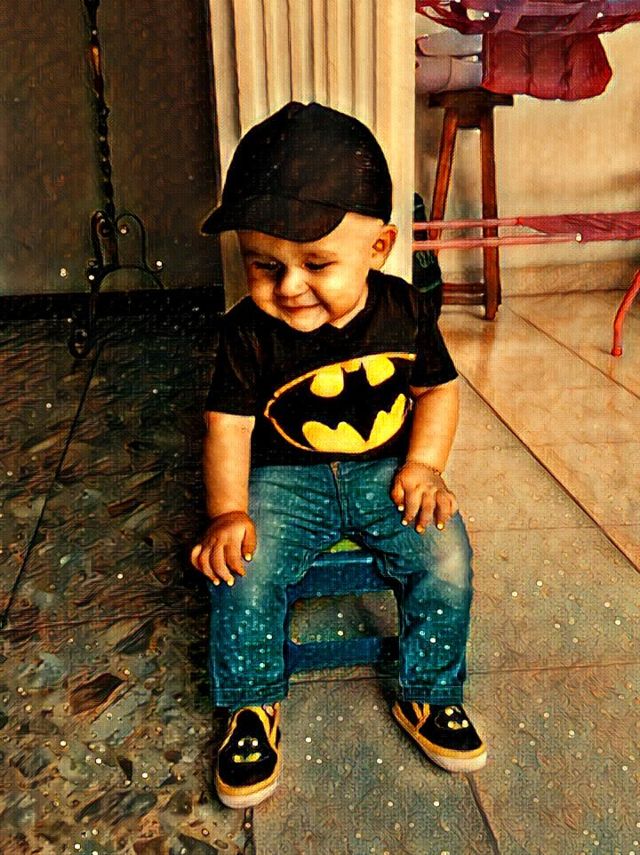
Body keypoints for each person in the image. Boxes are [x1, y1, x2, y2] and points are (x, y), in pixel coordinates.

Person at [190, 101, 487, 810]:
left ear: (378, 248)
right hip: (281, 478)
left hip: (384, 471)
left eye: (317, 263)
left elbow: (438, 390)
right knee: (242, 569)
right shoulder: (246, 332)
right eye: (264, 265)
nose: (289, 287)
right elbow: (227, 427)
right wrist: (227, 512)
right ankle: (251, 703)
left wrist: (424, 466)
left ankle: (429, 689)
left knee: (446, 557)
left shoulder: (404, 309)